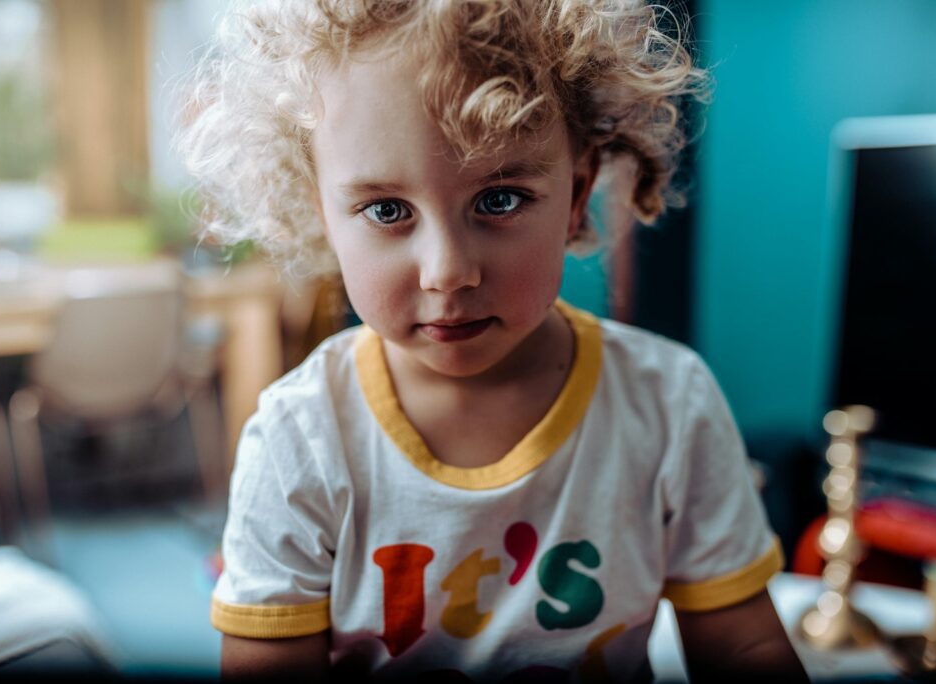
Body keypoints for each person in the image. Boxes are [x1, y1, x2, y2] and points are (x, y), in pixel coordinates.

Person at [176, 1, 809, 681]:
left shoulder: (669, 405)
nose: (447, 271)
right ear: (321, 212)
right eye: (387, 210)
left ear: (576, 195)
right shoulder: (299, 438)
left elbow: (744, 647)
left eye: (499, 199)